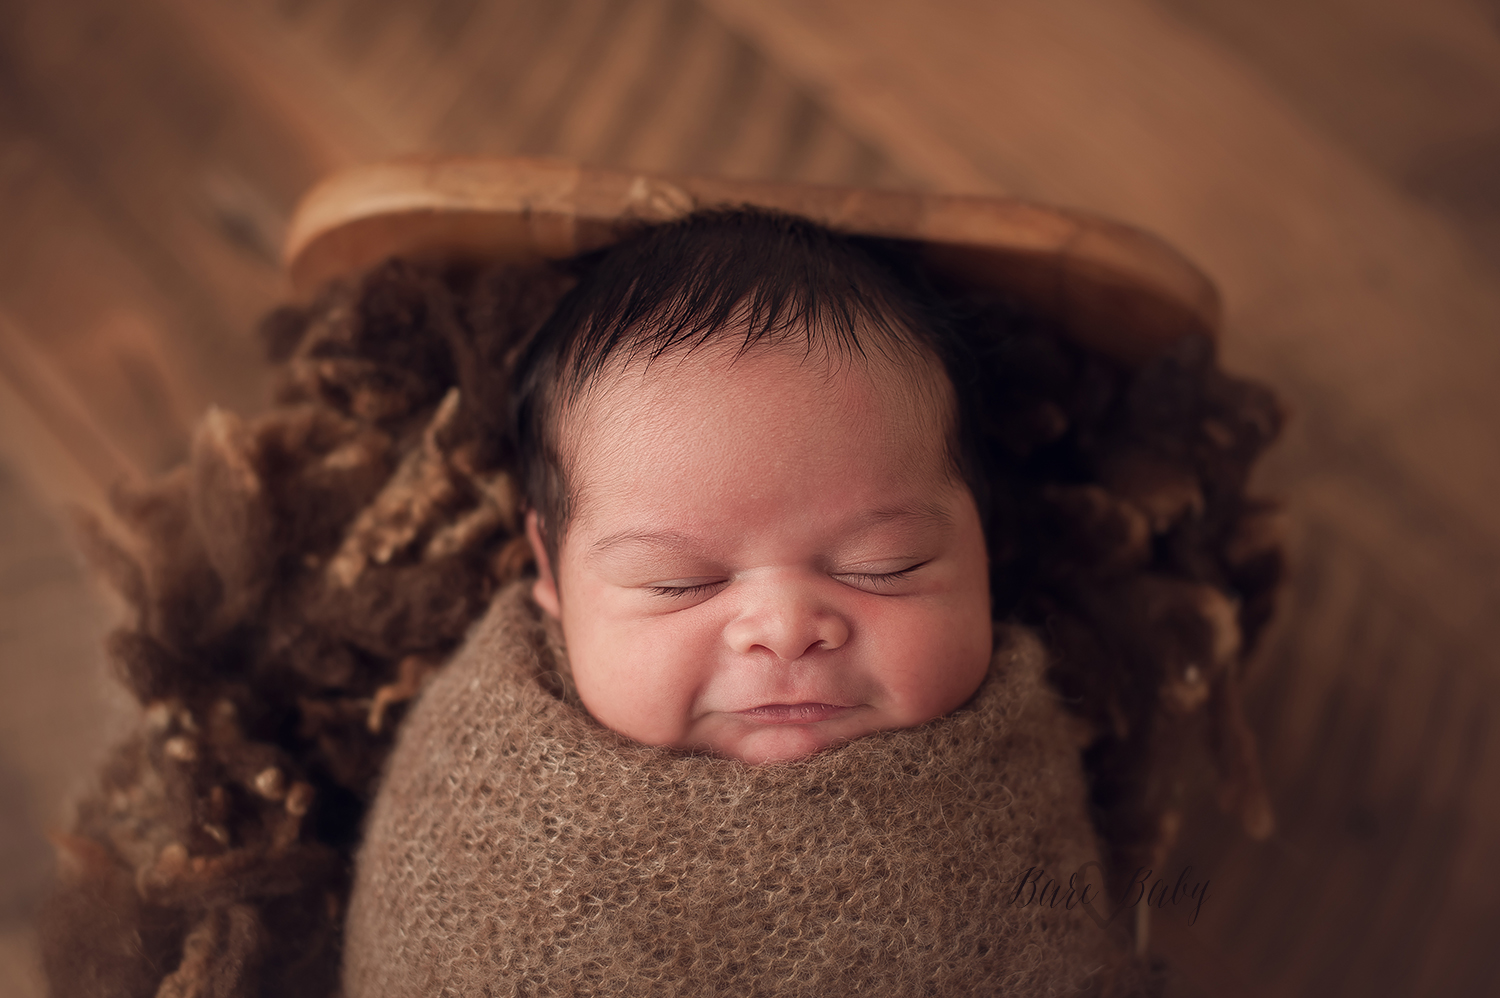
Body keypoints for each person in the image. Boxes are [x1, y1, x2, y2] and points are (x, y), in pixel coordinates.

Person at [342, 208, 1153, 996]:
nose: (785, 629)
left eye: (883, 565)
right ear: (551, 579)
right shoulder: (487, 808)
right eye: (679, 583)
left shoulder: (1014, 807)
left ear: (984, 549)